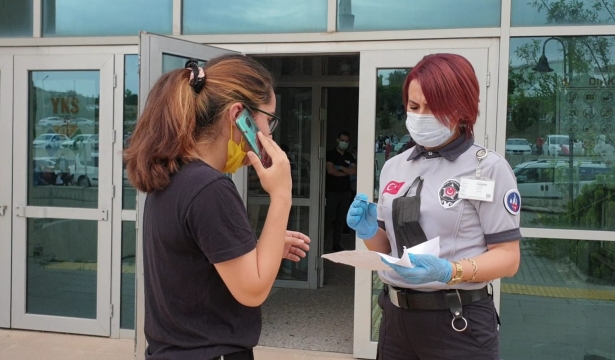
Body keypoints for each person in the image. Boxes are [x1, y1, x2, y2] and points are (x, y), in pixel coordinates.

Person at [123, 56, 311, 360]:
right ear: (240, 115)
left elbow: (199, 267)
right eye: (268, 118)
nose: (269, 132)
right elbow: (252, 290)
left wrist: (267, 246)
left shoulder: (177, 177)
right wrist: (282, 194)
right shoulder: (210, 188)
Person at [347, 54, 521, 359]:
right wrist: (369, 230)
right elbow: (387, 247)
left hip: (457, 322)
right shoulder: (394, 167)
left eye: (434, 107)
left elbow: (508, 258)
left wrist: (449, 271)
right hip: (396, 319)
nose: (421, 116)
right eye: (414, 107)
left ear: (463, 109)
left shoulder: (487, 168)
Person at [325, 131, 356, 252]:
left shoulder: (349, 156)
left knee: (341, 219)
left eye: (346, 141)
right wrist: (346, 171)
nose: (344, 143)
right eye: (342, 140)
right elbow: (331, 171)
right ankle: (321, 242)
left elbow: (354, 171)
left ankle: (336, 244)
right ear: (337, 140)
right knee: (329, 218)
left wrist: (341, 168)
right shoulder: (331, 154)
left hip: (345, 192)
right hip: (332, 192)